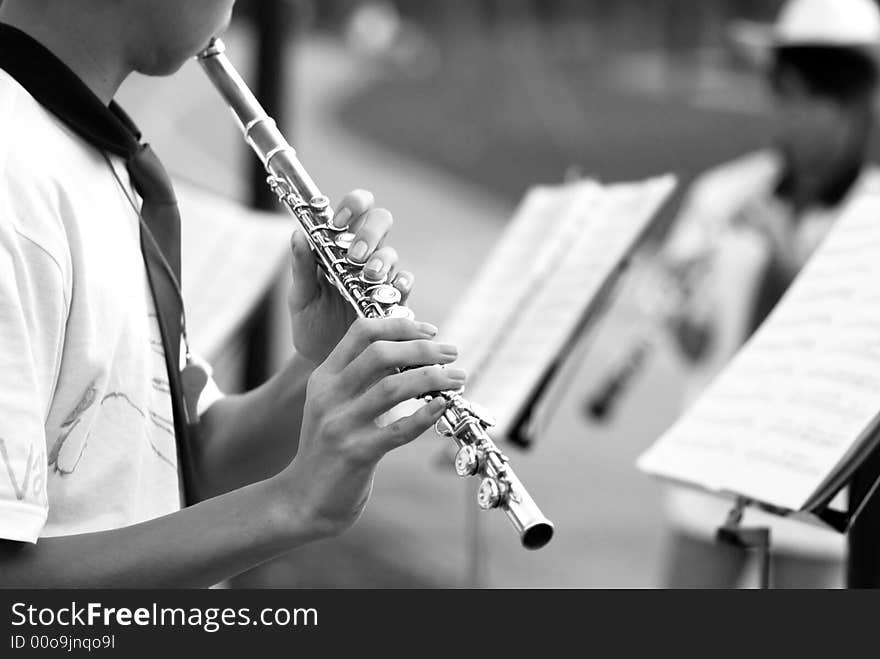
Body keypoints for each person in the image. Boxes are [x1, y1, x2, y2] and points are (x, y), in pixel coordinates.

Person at [0, 0, 466, 587]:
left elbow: (178, 463)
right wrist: (290, 506)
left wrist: (323, 366)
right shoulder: (12, 175)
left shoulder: (81, 148)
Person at [659, 0, 880, 588]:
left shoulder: (874, 214)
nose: (798, 117)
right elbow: (692, 342)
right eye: (787, 95)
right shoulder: (723, 193)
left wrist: (783, 251)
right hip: (711, 468)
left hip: (816, 480)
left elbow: (844, 345)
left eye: (820, 99)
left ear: (862, 106)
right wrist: (682, 315)